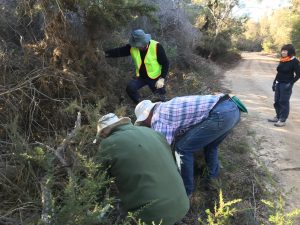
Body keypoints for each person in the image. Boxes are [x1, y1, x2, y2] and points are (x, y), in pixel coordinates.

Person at [134, 94, 241, 196]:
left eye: (143, 122)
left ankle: (186, 191)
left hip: (220, 114)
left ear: (147, 116)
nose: (146, 125)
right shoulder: (164, 107)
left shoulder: (158, 118)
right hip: (232, 110)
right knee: (211, 146)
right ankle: (212, 181)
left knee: (182, 149)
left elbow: (162, 150)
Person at [95, 113, 189, 225]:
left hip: (151, 215)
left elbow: (98, 183)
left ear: (104, 132)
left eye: (101, 135)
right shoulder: (153, 133)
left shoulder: (108, 144)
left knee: (122, 211)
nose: (102, 138)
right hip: (182, 204)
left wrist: (93, 206)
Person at [105, 29, 169, 104]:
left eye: (139, 45)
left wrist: (162, 79)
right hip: (141, 77)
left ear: (145, 42)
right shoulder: (132, 47)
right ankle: (142, 105)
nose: (137, 47)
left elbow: (165, 63)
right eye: (136, 45)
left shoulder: (156, 47)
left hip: (155, 78)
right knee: (130, 88)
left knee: (161, 99)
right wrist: (105, 54)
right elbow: (119, 51)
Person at [268, 44, 300, 127]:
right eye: (282, 50)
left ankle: (282, 120)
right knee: (277, 101)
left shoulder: (294, 61)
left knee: (283, 102)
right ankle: (277, 116)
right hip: (279, 83)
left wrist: (291, 83)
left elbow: (298, 74)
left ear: (290, 52)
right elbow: (279, 72)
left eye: (285, 51)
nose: (283, 52)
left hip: (286, 84)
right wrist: (274, 82)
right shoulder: (282, 60)